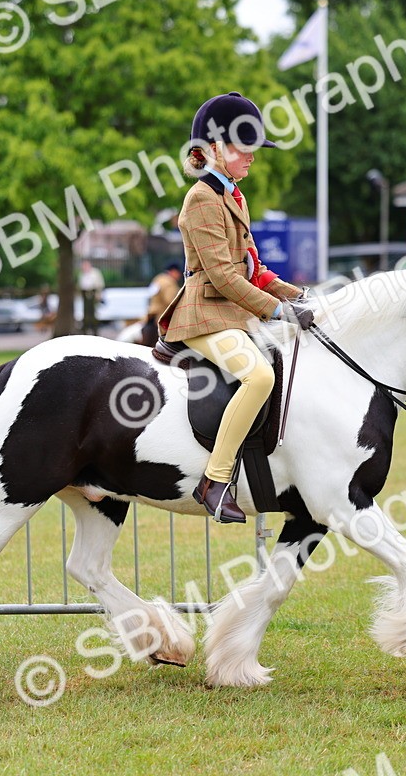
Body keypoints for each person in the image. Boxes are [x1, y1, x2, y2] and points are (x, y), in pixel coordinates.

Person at [157, 91, 312, 523]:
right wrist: (277, 311)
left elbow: (254, 269)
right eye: (245, 148)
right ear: (216, 149)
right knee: (260, 376)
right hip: (203, 314)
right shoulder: (201, 199)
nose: (252, 157)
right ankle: (215, 480)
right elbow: (224, 276)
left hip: (233, 312)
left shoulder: (235, 197)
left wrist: (299, 296)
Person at [140, 262, 182, 347]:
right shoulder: (169, 282)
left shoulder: (158, 279)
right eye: (179, 273)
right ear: (174, 271)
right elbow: (171, 301)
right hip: (161, 319)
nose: (179, 276)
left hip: (150, 317)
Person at [79, 260, 104, 335]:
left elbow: (100, 284)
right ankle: (86, 329)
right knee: (86, 314)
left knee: (94, 313)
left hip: (93, 294)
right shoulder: (82, 274)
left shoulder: (95, 273)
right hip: (85, 295)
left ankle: (95, 330)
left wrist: (98, 294)